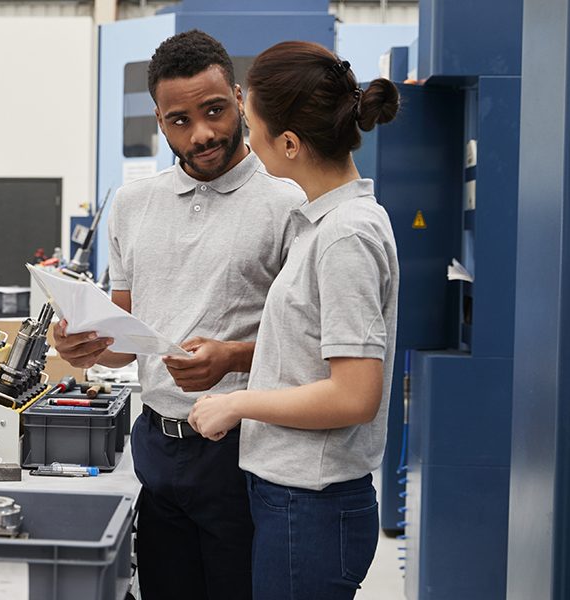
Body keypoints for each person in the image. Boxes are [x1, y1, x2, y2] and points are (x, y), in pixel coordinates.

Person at [53, 31, 304, 600]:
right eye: (179, 120)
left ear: (239, 99)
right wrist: (85, 343)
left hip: (247, 452)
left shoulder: (287, 200)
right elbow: (125, 332)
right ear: (160, 122)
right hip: (158, 447)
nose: (203, 133)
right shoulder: (134, 204)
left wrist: (234, 357)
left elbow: (312, 343)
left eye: (214, 110)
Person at [188, 41, 401, 599]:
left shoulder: (345, 237)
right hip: (295, 497)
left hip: (312, 503)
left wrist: (236, 403)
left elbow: (354, 395)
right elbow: (307, 352)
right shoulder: (323, 225)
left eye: (252, 128)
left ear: (288, 143)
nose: (249, 142)